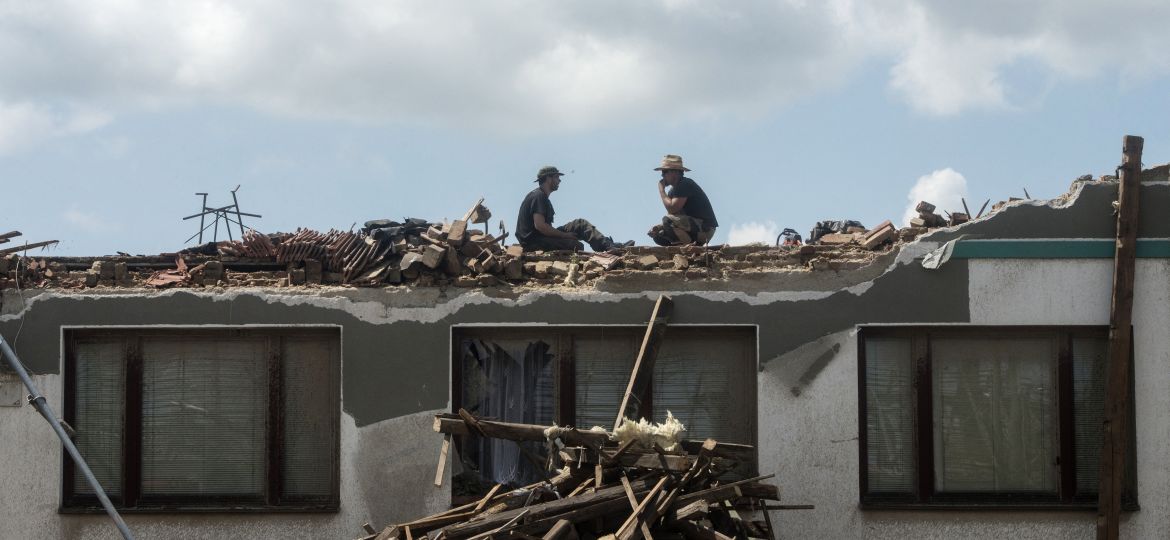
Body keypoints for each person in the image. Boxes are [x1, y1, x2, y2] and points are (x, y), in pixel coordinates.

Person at [515, 166, 634, 252]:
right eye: (557, 177)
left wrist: (562, 234)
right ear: (548, 179)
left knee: (580, 224)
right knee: (576, 245)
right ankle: (608, 249)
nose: (559, 180)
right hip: (533, 242)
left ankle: (608, 246)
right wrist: (563, 235)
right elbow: (540, 226)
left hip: (542, 237)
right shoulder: (538, 196)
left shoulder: (542, 197)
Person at [649, 154, 718, 245]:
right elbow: (674, 216)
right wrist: (658, 227)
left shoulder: (684, 184)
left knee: (668, 221)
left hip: (705, 229)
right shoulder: (672, 192)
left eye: (664, 171)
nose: (662, 175)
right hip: (692, 228)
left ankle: (690, 250)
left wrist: (661, 190)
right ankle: (685, 247)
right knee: (659, 236)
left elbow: (672, 209)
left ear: (675, 172)